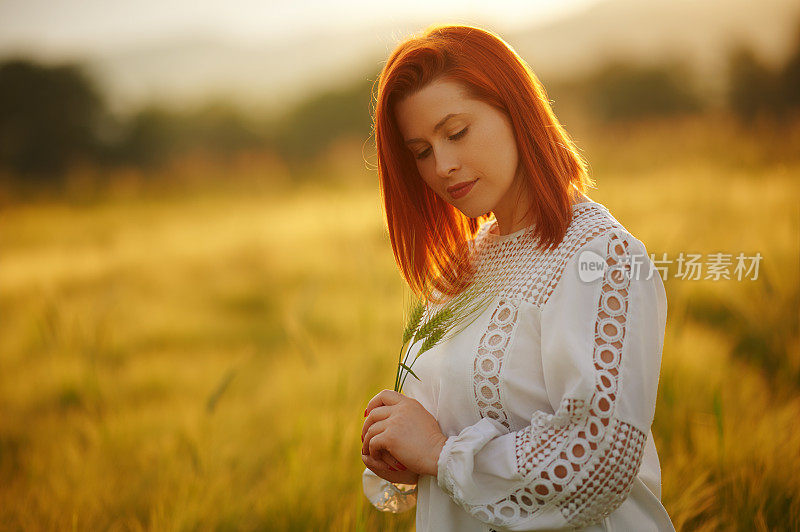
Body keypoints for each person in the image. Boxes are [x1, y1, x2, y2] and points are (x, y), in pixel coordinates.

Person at [360, 23, 675, 531]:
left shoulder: (598, 254)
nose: (441, 165)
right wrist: (402, 448)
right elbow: (449, 431)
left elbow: (597, 458)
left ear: (515, 110)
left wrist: (441, 454)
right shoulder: (465, 265)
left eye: (456, 132)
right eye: (421, 151)